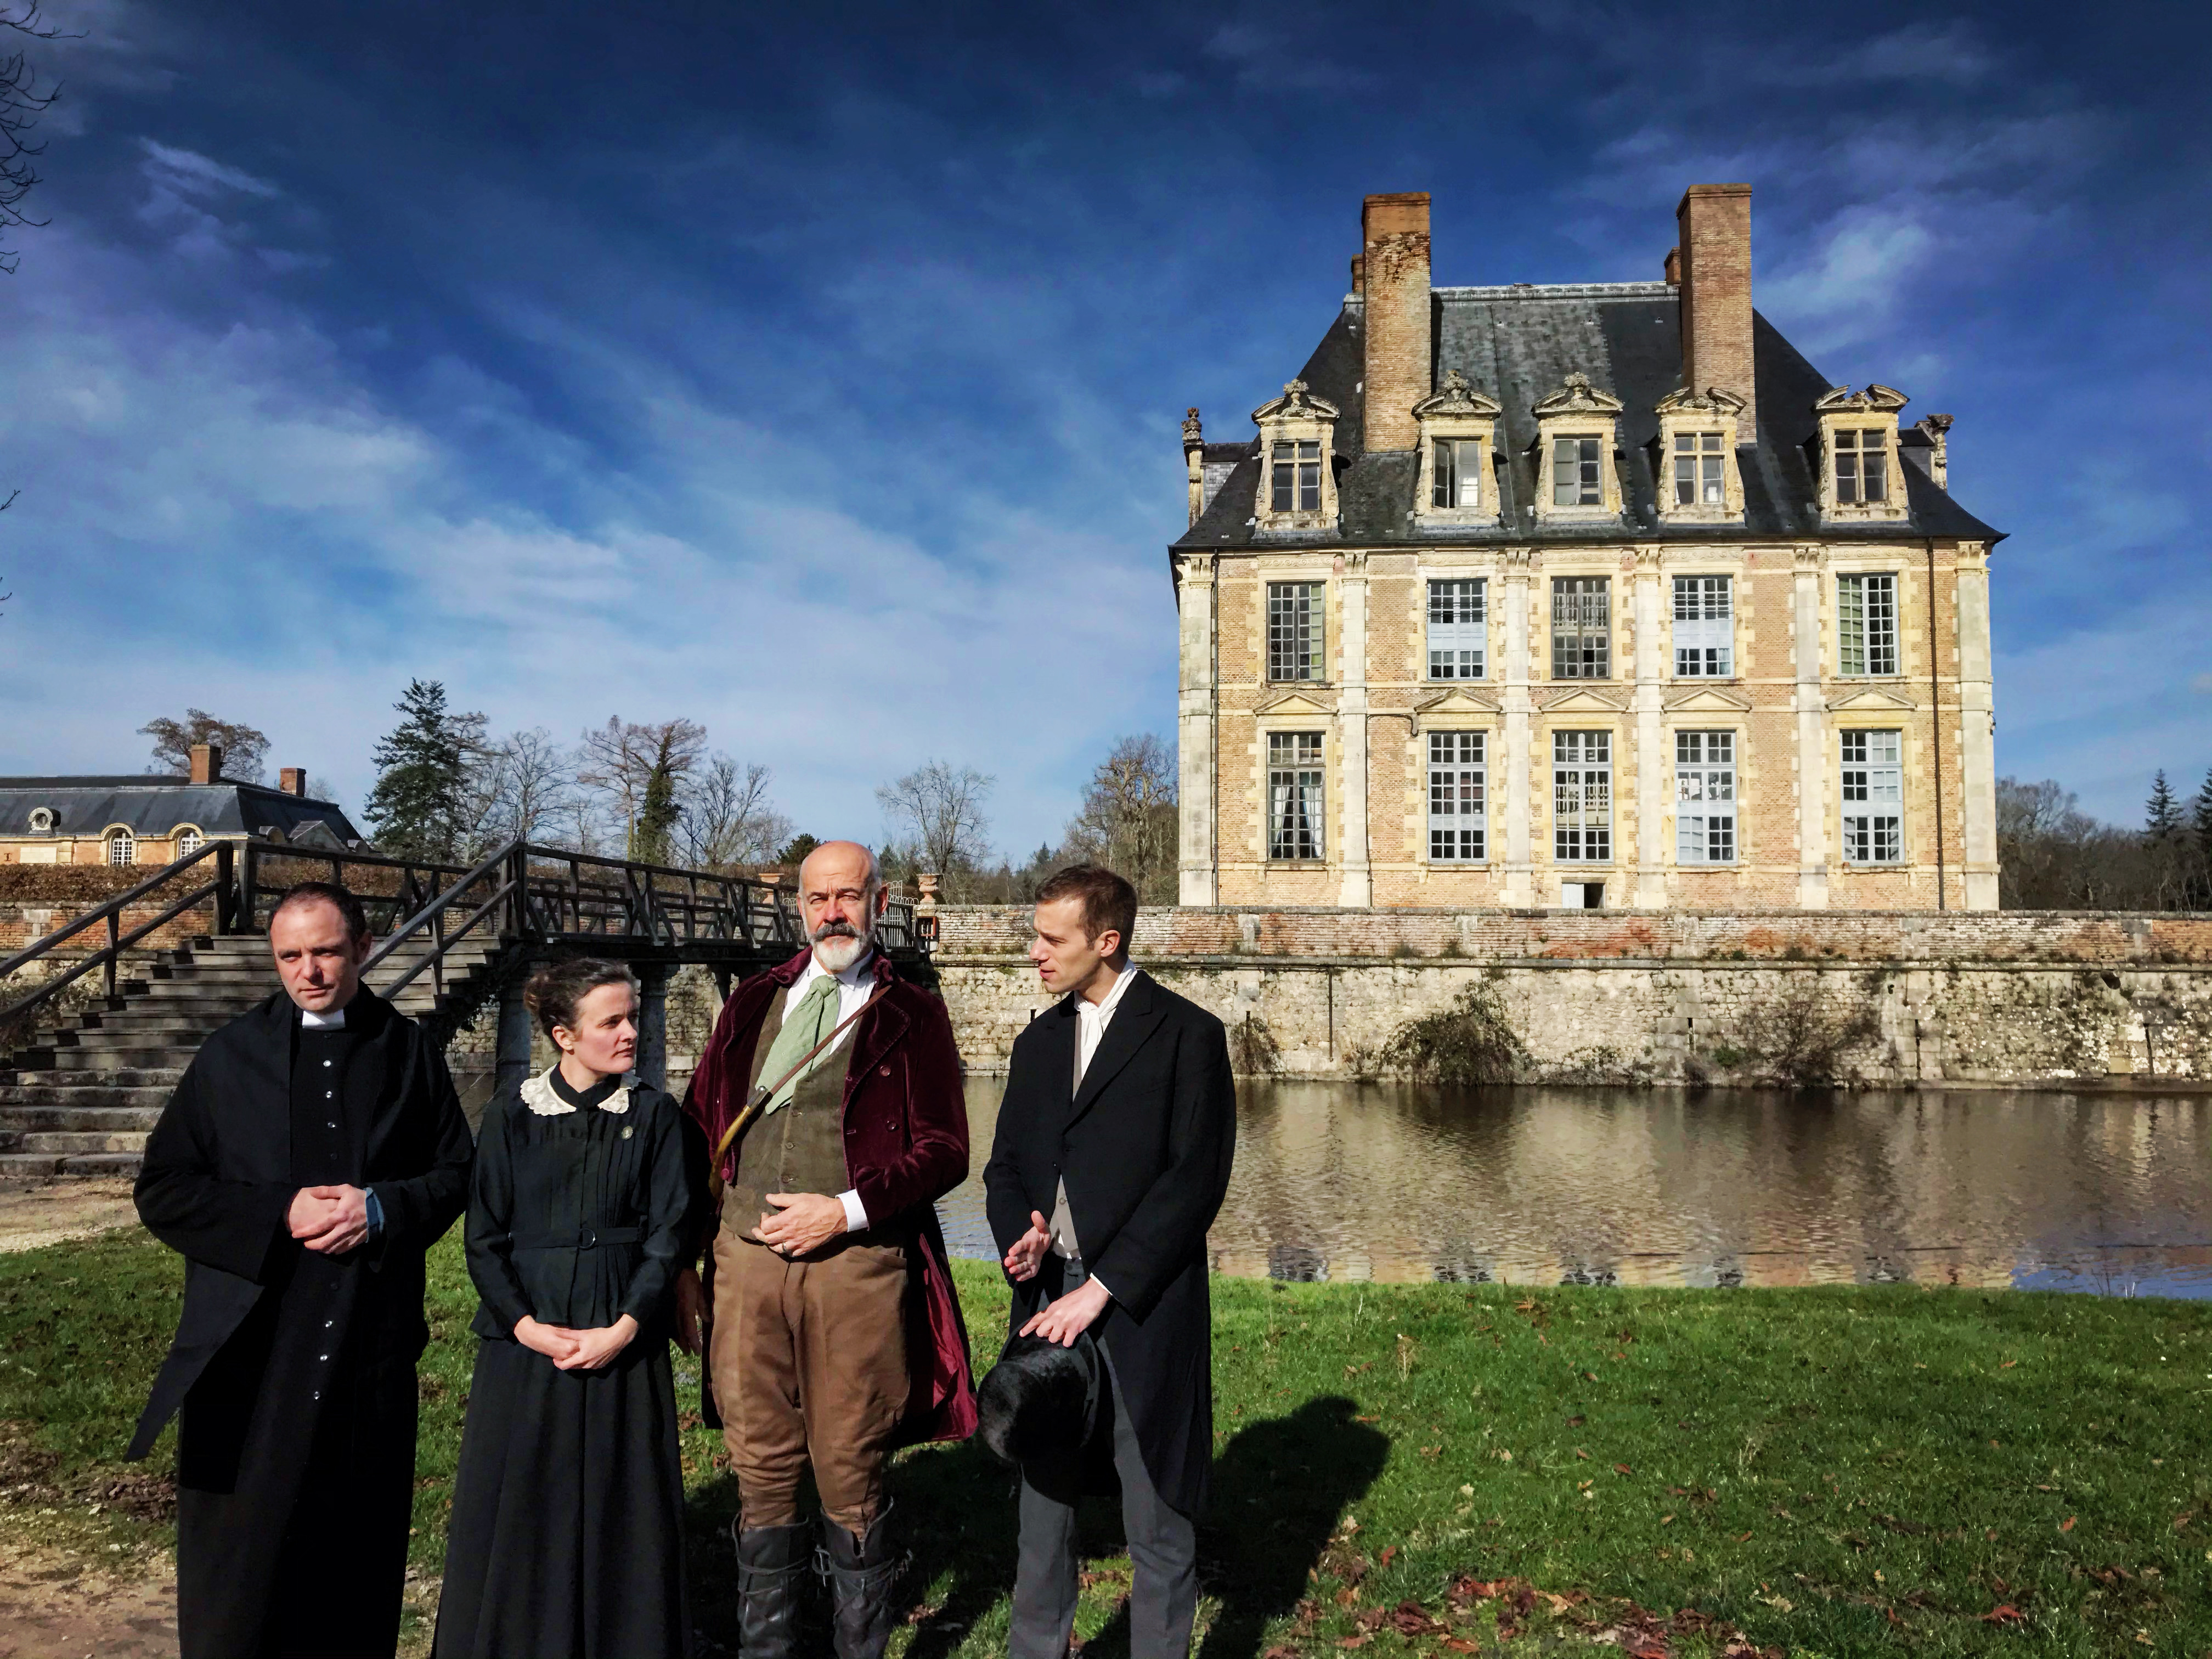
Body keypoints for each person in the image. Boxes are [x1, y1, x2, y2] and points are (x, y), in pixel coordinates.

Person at [131, 881, 473, 1659]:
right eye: (290, 955)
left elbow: (457, 1173)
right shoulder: (228, 1056)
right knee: (241, 1578)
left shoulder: (408, 1050)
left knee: (353, 1569)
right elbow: (164, 1190)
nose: (309, 971)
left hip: (365, 1344)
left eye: (325, 951)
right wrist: (279, 1214)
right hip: (249, 1350)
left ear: (361, 947)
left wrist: (380, 1209)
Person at [682, 839, 975, 1659]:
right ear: (799, 907)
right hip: (743, 1264)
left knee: (850, 1464)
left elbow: (948, 1149)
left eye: (850, 896)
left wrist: (843, 1212)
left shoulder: (910, 1012)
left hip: (855, 1266)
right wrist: (677, 1255)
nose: (833, 913)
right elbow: (699, 1123)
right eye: (819, 899)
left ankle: (858, 1650)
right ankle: (766, 1650)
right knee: (760, 1460)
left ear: (879, 903)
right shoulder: (751, 1003)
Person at [984, 865, 1237, 1659]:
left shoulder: (1187, 1036)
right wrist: (1018, 1231)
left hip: (1142, 1308)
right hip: (1045, 1308)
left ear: (1108, 940)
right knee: (1043, 1514)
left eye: (1051, 939)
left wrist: (1102, 1288)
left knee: (1156, 1518)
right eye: (1036, 935)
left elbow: (1194, 1182)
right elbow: (1005, 1169)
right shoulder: (1038, 1040)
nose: (1035, 953)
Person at [434, 958, 706, 1659]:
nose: (629, 1033)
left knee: (627, 1503)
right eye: (611, 1021)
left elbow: (668, 1236)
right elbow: (484, 1238)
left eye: (631, 1018)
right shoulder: (509, 1114)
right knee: (525, 1497)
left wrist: (623, 1329)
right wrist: (527, 1328)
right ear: (563, 1034)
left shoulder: (654, 1116)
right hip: (527, 1341)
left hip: (624, 1333)